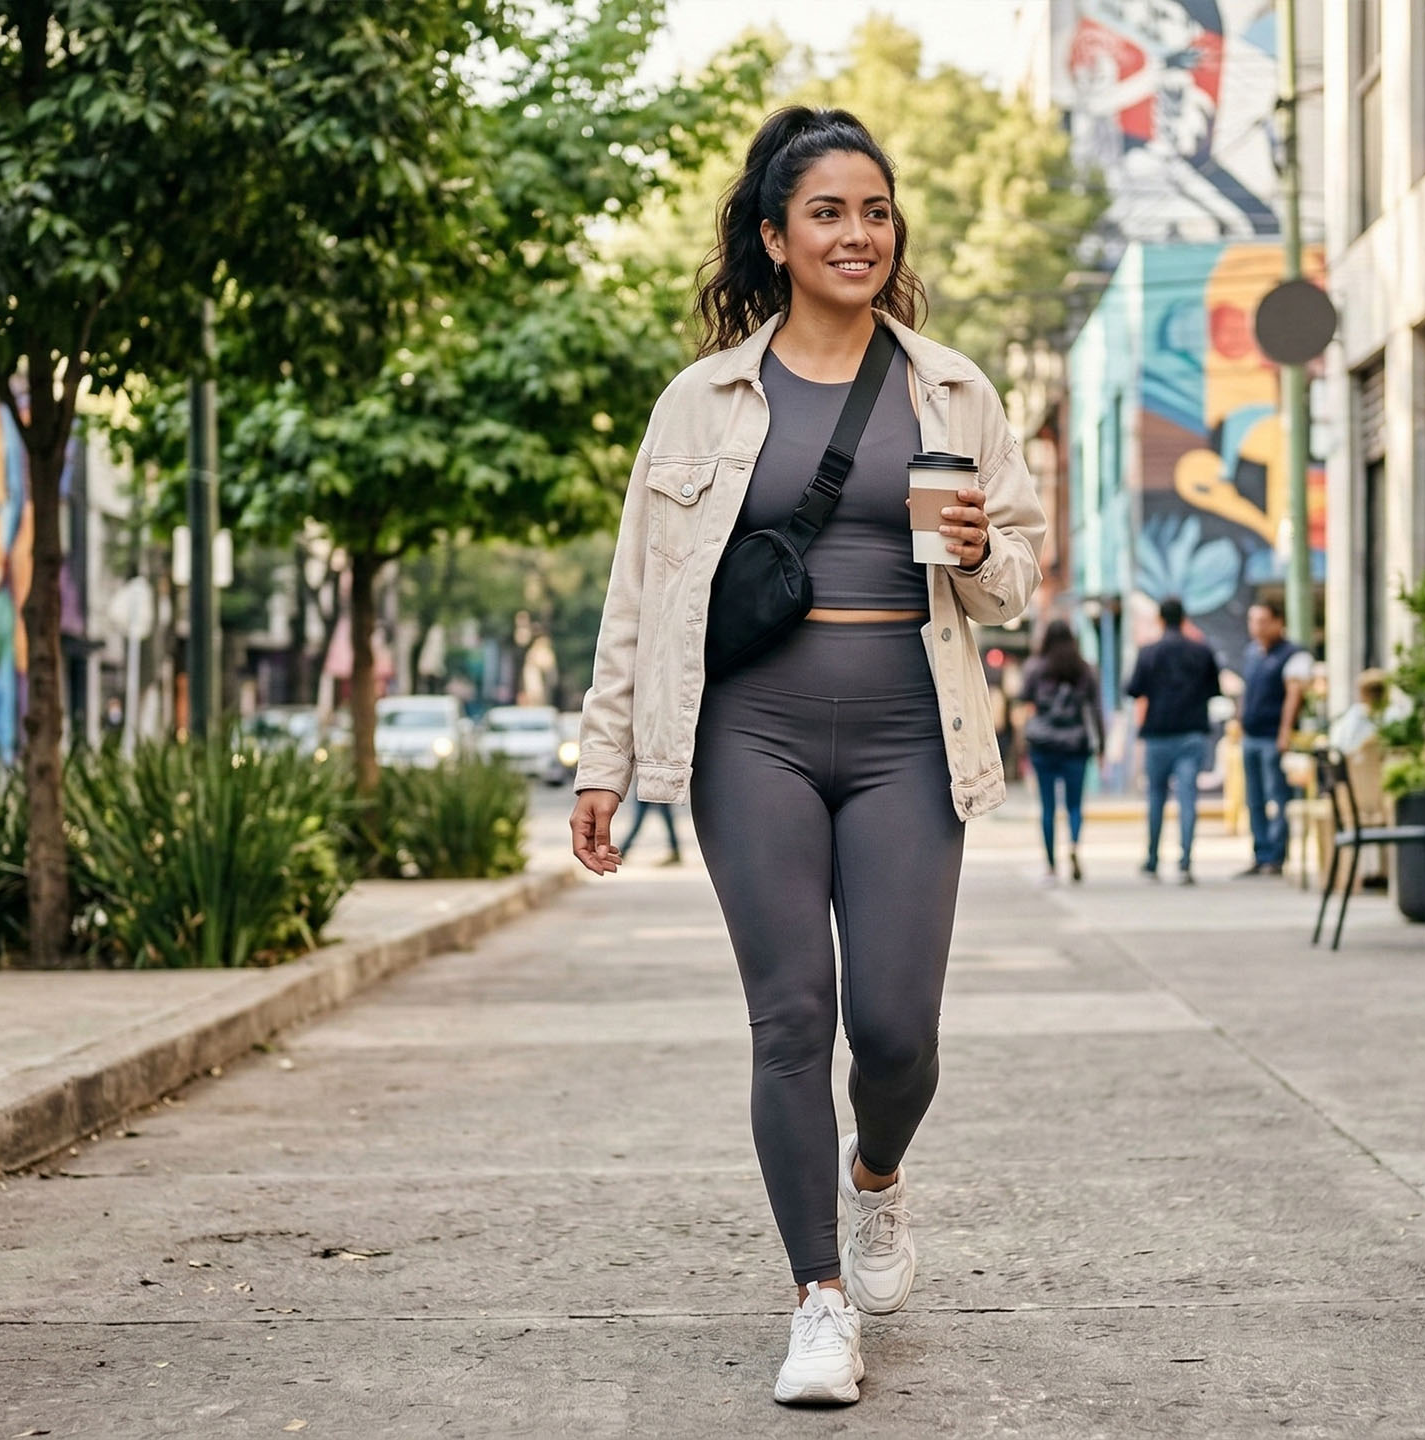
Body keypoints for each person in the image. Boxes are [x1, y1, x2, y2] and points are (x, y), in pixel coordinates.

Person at [566, 107, 1043, 1408]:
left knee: (896, 1035)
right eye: (828, 212)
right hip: (752, 735)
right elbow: (639, 594)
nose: (857, 233)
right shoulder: (705, 399)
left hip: (908, 732)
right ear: (774, 237)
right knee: (792, 1020)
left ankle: (875, 1179)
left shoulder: (953, 390)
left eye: (876, 211)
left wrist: (970, 549)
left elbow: (1018, 589)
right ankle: (817, 1302)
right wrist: (601, 757)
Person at [1124, 596, 1221, 883]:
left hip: (1158, 734)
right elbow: (1214, 689)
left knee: (1156, 798)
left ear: (1161, 620)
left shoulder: (1149, 652)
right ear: (1184, 618)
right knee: (1188, 799)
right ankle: (1185, 863)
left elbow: (1132, 689)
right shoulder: (1202, 651)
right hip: (1191, 733)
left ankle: (1153, 860)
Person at [1018, 618, 1101, 885]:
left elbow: (1024, 704)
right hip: (1076, 745)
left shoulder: (1035, 667)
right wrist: (1102, 746)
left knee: (1048, 807)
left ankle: (1052, 867)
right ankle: (1074, 846)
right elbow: (1096, 710)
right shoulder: (1084, 669)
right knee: (1075, 805)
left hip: (1043, 745)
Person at [1236, 600, 1313, 877]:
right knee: (1254, 799)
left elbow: (1293, 697)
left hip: (1272, 737)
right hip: (1251, 735)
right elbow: (1246, 691)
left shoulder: (1292, 655)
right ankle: (1261, 852)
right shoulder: (1252, 654)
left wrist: (1284, 733)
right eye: (1252, 621)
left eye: (1262, 621)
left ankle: (1277, 855)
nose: (1256, 627)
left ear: (1278, 622)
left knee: (1278, 796)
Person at [615, 799, 685, 866]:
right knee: (666, 817)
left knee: (639, 819)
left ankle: (623, 850)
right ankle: (675, 850)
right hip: (657, 790)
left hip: (650, 790)